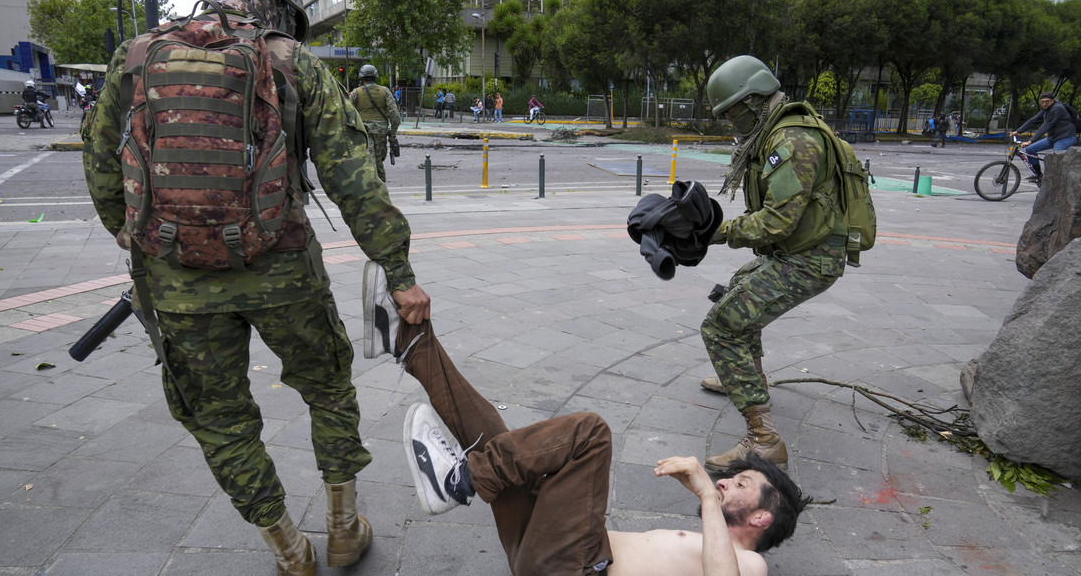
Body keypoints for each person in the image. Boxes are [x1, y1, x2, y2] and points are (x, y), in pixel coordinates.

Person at [80, 0, 431, 575]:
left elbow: (100, 155)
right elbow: (353, 179)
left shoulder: (136, 59)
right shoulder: (294, 62)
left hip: (176, 280)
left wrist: (128, 230)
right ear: (284, 15)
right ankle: (344, 529)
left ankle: (290, 552)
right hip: (284, 270)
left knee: (218, 418)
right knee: (327, 388)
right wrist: (398, 274)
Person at [360, 263, 809, 576]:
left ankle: (460, 481)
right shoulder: (707, 545)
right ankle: (409, 341)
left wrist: (709, 498)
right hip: (543, 550)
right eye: (732, 482)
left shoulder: (750, 564)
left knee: (591, 434)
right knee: (499, 439)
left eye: (743, 486)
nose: (727, 482)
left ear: (762, 520)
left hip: (574, 566)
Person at [697, 55, 848, 473]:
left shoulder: (791, 140)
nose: (731, 124)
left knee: (720, 325)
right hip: (799, 251)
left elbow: (780, 221)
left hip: (810, 259)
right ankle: (750, 380)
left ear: (751, 101)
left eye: (731, 114)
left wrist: (717, 232)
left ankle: (763, 440)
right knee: (739, 288)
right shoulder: (778, 130)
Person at [349, 64, 401, 182]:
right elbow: (395, 117)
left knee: (366, 161)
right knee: (378, 161)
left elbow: (348, 114)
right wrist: (392, 136)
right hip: (380, 132)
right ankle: (380, 188)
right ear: (375, 77)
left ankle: (369, 188)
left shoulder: (356, 93)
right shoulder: (385, 91)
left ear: (361, 79)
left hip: (363, 132)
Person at [1010, 91, 1078, 179]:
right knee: (1030, 149)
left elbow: (1046, 125)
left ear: (1052, 101)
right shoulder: (1046, 110)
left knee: (1056, 158)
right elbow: (1034, 120)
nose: (1044, 103)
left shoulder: (1057, 108)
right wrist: (1018, 131)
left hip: (1065, 137)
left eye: (1047, 101)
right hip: (1053, 137)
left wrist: (1031, 141)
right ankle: (1039, 175)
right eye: (1042, 102)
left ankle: (1059, 180)